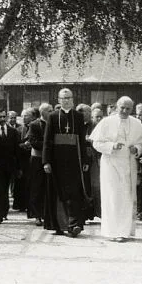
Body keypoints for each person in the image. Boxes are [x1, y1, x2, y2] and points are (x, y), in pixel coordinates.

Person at [90, 96, 142, 242]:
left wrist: (137, 149)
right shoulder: (106, 122)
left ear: (132, 109)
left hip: (128, 164)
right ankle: (111, 231)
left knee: (126, 197)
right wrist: (111, 146)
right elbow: (96, 143)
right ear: (116, 107)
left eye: (128, 108)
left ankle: (124, 231)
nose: (125, 111)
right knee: (112, 196)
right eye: (122, 107)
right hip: (110, 163)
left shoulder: (136, 123)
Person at [43, 88, 89, 238]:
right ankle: (60, 225)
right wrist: (46, 161)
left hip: (75, 161)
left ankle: (75, 224)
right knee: (59, 193)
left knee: (75, 193)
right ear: (59, 100)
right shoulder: (53, 116)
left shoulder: (78, 116)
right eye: (63, 98)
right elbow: (47, 141)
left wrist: (85, 160)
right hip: (57, 161)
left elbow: (82, 140)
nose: (66, 100)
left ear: (73, 99)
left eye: (69, 98)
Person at [28, 104, 51, 226]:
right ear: (42, 112)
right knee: (37, 187)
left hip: (50, 159)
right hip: (37, 159)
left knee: (48, 187)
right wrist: (48, 145)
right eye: (49, 110)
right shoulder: (34, 124)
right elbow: (33, 142)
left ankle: (47, 213)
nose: (52, 112)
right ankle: (37, 215)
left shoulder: (53, 123)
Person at [88, 108, 104, 218]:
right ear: (92, 117)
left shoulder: (105, 127)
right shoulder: (89, 127)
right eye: (96, 116)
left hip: (103, 159)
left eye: (100, 116)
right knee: (94, 186)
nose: (99, 119)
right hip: (92, 160)